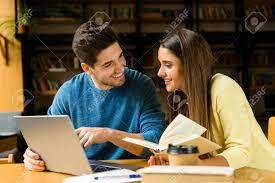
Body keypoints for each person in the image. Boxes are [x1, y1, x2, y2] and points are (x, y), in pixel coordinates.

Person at [23, 21, 166, 171]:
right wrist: (33, 156)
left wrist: (109, 134)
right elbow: (48, 143)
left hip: (131, 174)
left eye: (120, 56)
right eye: (108, 64)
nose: (121, 68)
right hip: (85, 175)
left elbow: (156, 143)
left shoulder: (142, 85)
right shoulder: (68, 93)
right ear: (87, 69)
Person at [148, 27, 275, 171]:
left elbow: (242, 151)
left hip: (265, 175)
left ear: (190, 65)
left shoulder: (223, 87)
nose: (159, 73)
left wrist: (198, 165)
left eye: (168, 65)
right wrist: (172, 159)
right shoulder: (186, 101)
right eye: (160, 65)